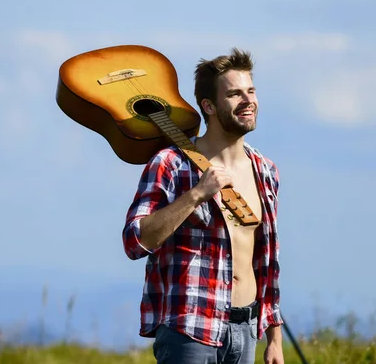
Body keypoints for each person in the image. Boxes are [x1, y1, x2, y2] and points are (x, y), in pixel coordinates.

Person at [122, 47, 284, 364]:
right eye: (235, 94)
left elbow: (267, 261)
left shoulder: (266, 171)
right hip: (190, 330)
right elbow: (135, 241)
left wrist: (274, 337)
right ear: (208, 106)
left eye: (250, 91)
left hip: (246, 331)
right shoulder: (170, 164)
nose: (248, 100)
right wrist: (197, 194)